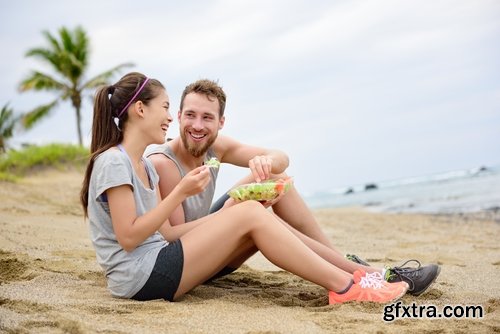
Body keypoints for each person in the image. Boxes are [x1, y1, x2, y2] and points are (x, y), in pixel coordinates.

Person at [80, 72, 409, 304]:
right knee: (250, 211)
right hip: (141, 279)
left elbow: (162, 233)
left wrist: (224, 212)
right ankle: (347, 284)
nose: (169, 118)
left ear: (220, 121)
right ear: (140, 109)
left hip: (157, 263)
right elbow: (129, 237)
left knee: (257, 202)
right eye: (166, 108)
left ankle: (353, 275)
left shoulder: (140, 165)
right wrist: (182, 194)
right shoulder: (116, 162)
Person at [145, 79, 441, 296]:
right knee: (251, 211)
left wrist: (265, 160)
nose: (198, 126)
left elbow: (281, 158)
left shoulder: (215, 146)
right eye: (190, 115)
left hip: (212, 235)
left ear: (221, 122)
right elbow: (172, 244)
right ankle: (366, 274)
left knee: (275, 178)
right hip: (190, 262)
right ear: (179, 116)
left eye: (207, 117)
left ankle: (343, 261)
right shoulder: (163, 165)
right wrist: (230, 213)